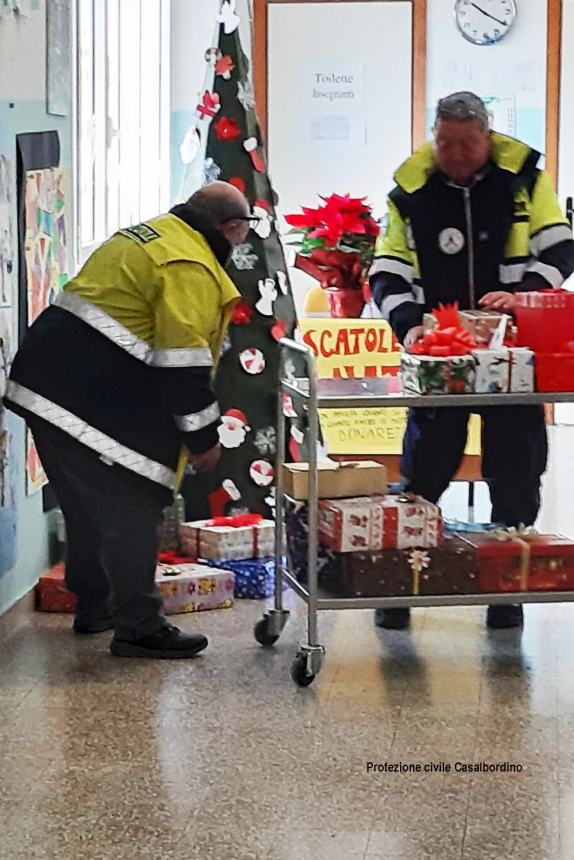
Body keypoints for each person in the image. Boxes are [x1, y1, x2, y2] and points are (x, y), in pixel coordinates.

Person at [4, 181, 256, 657]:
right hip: (80, 395)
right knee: (132, 504)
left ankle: (96, 605)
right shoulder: (191, 265)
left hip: (49, 384)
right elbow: (183, 362)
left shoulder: (153, 235)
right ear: (232, 228)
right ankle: (139, 624)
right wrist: (203, 438)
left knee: (86, 506)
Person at [369, 92, 574, 631]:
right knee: (425, 467)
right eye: (446, 143)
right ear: (433, 137)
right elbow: (387, 270)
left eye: (467, 143)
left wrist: (525, 294)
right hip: (442, 355)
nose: (456, 154)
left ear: (488, 136)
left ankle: (507, 587)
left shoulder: (524, 178)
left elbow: (559, 250)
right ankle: (401, 586)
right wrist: (411, 323)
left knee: (515, 467)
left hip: (513, 352)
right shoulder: (410, 190)